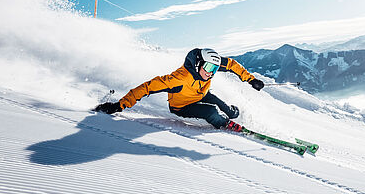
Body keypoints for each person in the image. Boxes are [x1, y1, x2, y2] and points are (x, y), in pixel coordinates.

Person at [95, 48, 264, 132]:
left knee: (230, 110)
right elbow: (146, 87)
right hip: (182, 106)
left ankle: (230, 115)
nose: (211, 72)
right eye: (208, 67)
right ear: (198, 63)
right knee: (211, 111)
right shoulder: (178, 79)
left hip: (202, 94)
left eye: (215, 68)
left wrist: (251, 79)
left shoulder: (208, 66)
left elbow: (232, 65)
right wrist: (119, 106)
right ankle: (224, 123)